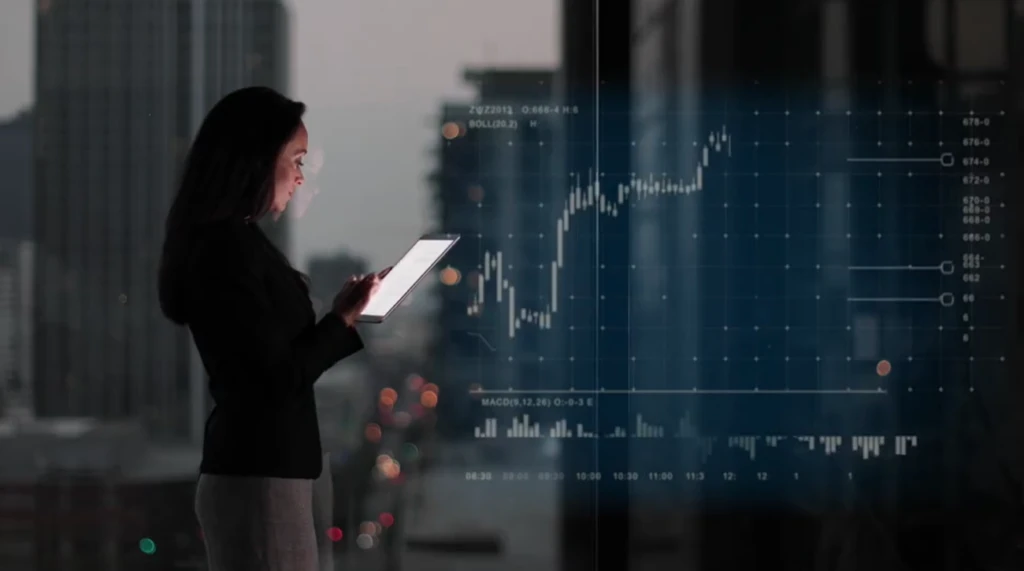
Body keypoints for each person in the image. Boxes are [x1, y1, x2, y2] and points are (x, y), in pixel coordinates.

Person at [157, 86, 381, 571]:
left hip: (271, 472)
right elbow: (271, 380)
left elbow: (273, 365)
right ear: (257, 161)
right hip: (259, 477)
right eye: (296, 160)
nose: (300, 177)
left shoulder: (237, 241)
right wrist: (340, 321)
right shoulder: (224, 251)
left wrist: (340, 316)